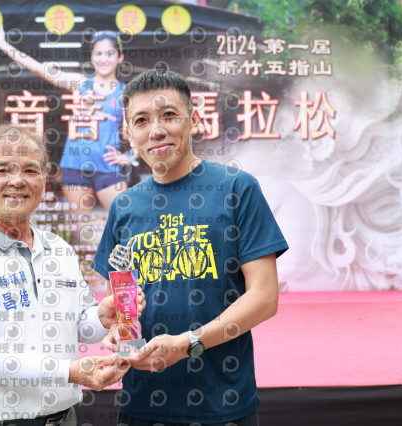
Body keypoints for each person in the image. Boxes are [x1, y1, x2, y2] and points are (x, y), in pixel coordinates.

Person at [92, 69, 289, 426]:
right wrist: (120, 338)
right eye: (141, 120)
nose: (156, 130)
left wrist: (188, 343)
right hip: (141, 404)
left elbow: (264, 297)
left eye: (168, 115)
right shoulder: (124, 206)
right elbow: (121, 305)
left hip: (223, 405)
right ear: (129, 134)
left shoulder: (236, 188)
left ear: (193, 120)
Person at [0, 124, 144, 425]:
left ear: (43, 181)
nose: (18, 180)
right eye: (3, 169)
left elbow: (81, 326)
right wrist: (71, 372)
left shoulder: (59, 249)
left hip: (63, 419)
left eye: (30, 170)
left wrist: (103, 315)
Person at [0, 26, 133, 221]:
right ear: (92, 57)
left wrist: (130, 156)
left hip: (108, 168)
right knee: (80, 228)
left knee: (125, 223)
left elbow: (143, 128)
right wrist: (3, 44)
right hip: (74, 167)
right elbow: (40, 69)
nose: (104, 59)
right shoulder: (81, 83)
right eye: (98, 53)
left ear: (120, 57)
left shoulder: (125, 92)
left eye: (110, 53)